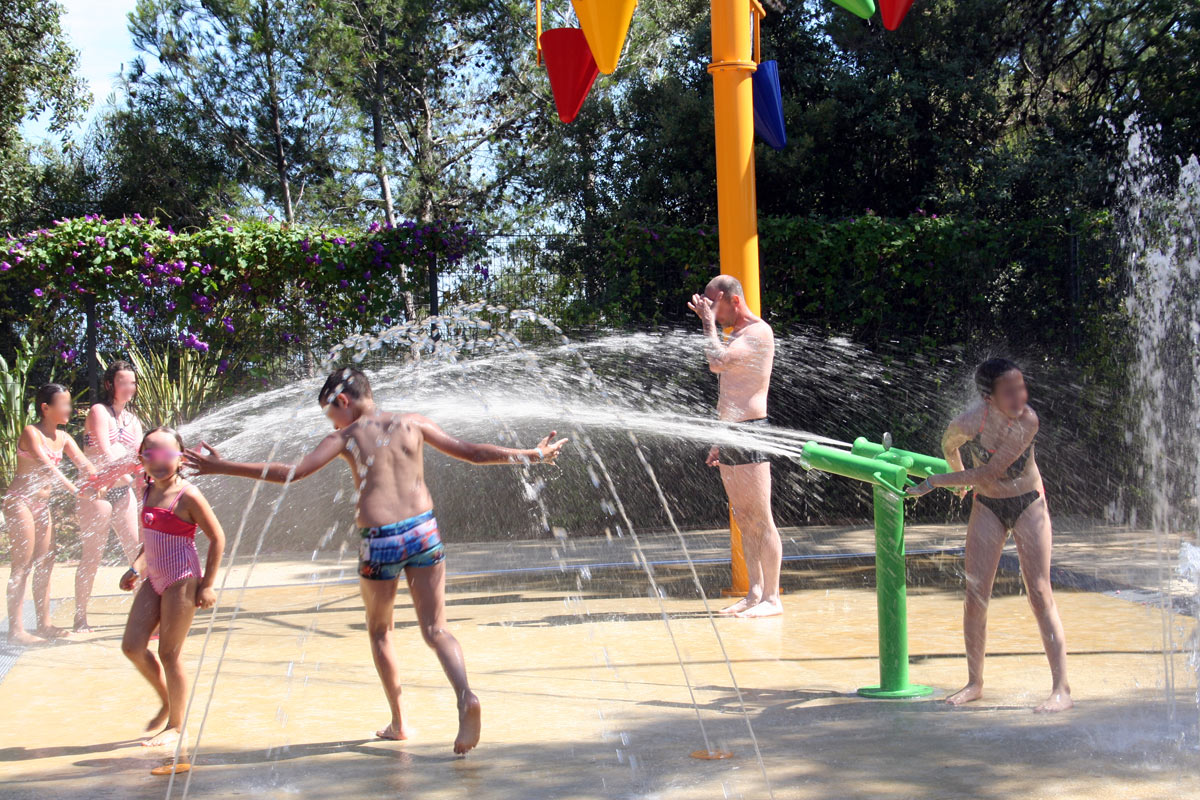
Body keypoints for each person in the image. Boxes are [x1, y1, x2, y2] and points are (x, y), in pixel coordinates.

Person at [183, 366, 568, 755]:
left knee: (381, 631)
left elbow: (292, 473)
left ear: (343, 401)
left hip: (380, 540)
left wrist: (223, 466)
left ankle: (399, 723)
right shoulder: (412, 423)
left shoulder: (345, 436)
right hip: (423, 532)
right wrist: (532, 455)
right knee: (437, 630)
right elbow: (472, 453)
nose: (331, 420)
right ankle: (466, 695)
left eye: (329, 412)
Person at [906, 358, 1072, 712]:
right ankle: (974, 682)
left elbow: (994, 470)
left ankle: (1062, 689)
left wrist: (937, 481)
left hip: (1028, 503)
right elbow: (949, 445)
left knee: (1040, 592)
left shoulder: (1028, 420)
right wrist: (958, 475)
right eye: (1009, 391)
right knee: (975, 593)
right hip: (989, 506)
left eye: (1021, 387)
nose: (1019, 396)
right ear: (988, 399)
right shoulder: (968, 422)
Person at [119, 426, 225, 769]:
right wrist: (136, 568)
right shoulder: (148, 490)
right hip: (154, 578)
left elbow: (217, 537)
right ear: (142, 460)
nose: (160, 462)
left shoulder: (188, 495)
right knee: (133, 646)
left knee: (170, 652)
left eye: (167, 455)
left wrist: (207, 585)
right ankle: (168, 701)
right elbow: (149, 540)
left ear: (180, 458)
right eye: (151, 455)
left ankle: (177, 724)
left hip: (182, 580)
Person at [688, 275, 783, 618]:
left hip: (753, 432)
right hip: (730, 433)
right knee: (743, 517)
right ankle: (754, 592)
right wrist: (718, 438)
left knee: (761, 517)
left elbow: (717, 362)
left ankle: (773, 598)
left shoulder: (758, 332)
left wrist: (707, 324)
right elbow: (729, 393)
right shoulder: (734, 336)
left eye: (715, 305)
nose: (712, 311)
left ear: (733, 300)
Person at [3, 384, 98, 644]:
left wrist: (99, 478)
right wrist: (74, 489)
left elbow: (85, 464)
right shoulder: (30, 432)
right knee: (22, 566)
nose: (69, 409)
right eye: (64, 404)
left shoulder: (64, 437)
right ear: (46, 408)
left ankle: (43, 624)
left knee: (46, 562)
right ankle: (16, 630)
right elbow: (48, 468)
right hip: (20, 501)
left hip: (41, 505)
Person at [75, 360, 144, 631]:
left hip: (121, 490)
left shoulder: (133, 421)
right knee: (92, 555)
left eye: (132, 383)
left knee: (136, 553)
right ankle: (80, 617)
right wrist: (131, 474)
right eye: (123, 382)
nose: (129, 387)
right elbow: (105, 453)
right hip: (96, 491)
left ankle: (142, 615)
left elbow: (138, 458)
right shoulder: (98, 412)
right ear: (109, 385)